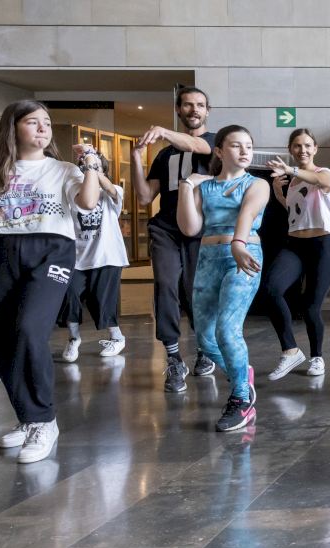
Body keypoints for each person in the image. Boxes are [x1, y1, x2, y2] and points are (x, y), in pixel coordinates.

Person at [0, 100, 102, 463]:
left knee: (29, 329)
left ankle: (44, 420)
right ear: (12, 128)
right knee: (0, 339)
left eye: (47, 122)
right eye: (32, 122)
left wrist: (91, 164)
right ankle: (28, 417)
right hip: (1, 250)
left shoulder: (62, 169)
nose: (43, 128)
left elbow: (88, 203)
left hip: (51, 252)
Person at [177, 125, 270, 431]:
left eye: (248, 146)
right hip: (208, 259)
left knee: (227, 330)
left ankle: (242, 399)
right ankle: (242, 374)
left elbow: (246, 215)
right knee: (205, 338)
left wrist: (238, 244)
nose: (245, 151)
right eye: (236, 145)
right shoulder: (204, 188)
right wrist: (186, 187)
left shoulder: (257, 184)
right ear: (219, 151)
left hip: (243, 256)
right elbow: (190, 228)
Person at [130, 86, 217, 393]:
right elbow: (144, 196)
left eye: (200, 105)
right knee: (166, 284)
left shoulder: (214, 142)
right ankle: (173, 357)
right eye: (188, 105)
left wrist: (164, 131)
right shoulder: (165, 154)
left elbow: (198, 146)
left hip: (201, 229)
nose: (194, 110)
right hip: (165, 228)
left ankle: (205, 348)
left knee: (196, 291)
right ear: (179, 110)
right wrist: (136, 158)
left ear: (207, 111)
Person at [263, 129, 330, 380]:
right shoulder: (293, 183)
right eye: (297, 146)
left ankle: (317, 357)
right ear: (290, 149)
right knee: (271, 289)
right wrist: (278, 193)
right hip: (295, 244)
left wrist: (289, 170)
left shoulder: (323, 173)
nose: (302, 150)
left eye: (307, 145)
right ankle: (291, 350)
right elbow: (294, 211)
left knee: (310, 306)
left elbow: (319, 182)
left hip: (323, 244)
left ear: (315, 148)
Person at [57, 148, 130, 362]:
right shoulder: (73, 192)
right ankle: (73, 339)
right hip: (77, 258)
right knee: (69, 294)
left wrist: (93, 165)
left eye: (94, 169)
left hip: (107, 256)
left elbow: (110, 188)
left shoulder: (112, 191)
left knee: (102, 299)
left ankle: (117, 337)